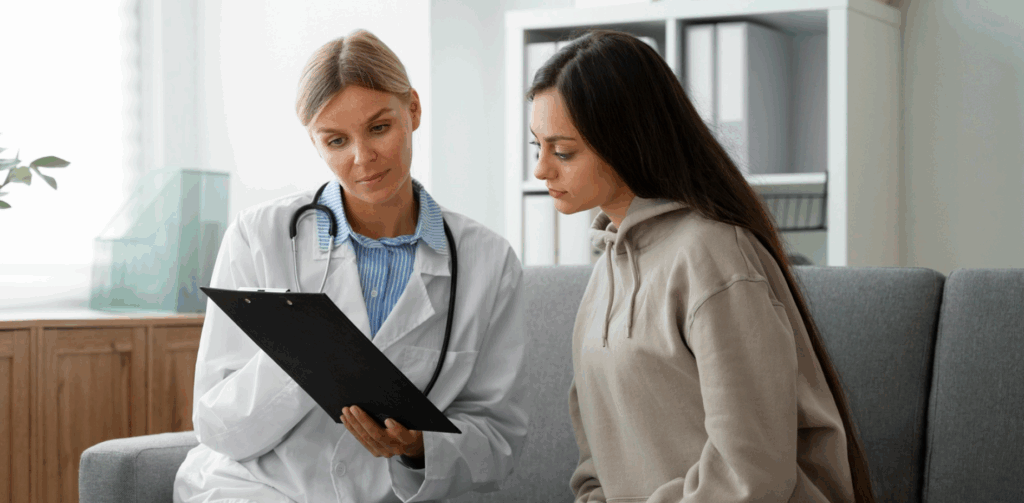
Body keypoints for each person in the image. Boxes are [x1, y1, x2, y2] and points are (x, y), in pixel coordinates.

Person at [173, 29, 527, 503]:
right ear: (315, 143)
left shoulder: (488, 262)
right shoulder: (258, 237)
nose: (363, 158)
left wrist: (421, 447)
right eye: (336, 140)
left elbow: (499, 439)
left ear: (414, 110)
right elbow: (218, 425)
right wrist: (299, 355)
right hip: (259, 488)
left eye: (380, 127)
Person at [528, 30, 876, 503]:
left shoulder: (713, 255)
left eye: (562, 151)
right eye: (538, 147)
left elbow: (752, 474)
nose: (542, 170)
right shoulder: (604, 272)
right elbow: (598, 464)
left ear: (625, 142)